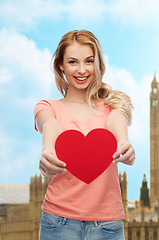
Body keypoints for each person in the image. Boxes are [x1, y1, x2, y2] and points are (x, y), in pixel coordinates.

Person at [34, 30, 134, 240]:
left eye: (89, 61)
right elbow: (49, 125)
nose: (82, 70)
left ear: (97, 64)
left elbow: (116, 121)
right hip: (57, 221)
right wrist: (48, 149)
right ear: (60, 64)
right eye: (72, 62)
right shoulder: (47, 107)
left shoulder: (114, 104)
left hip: (108, 224)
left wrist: (123, 142)